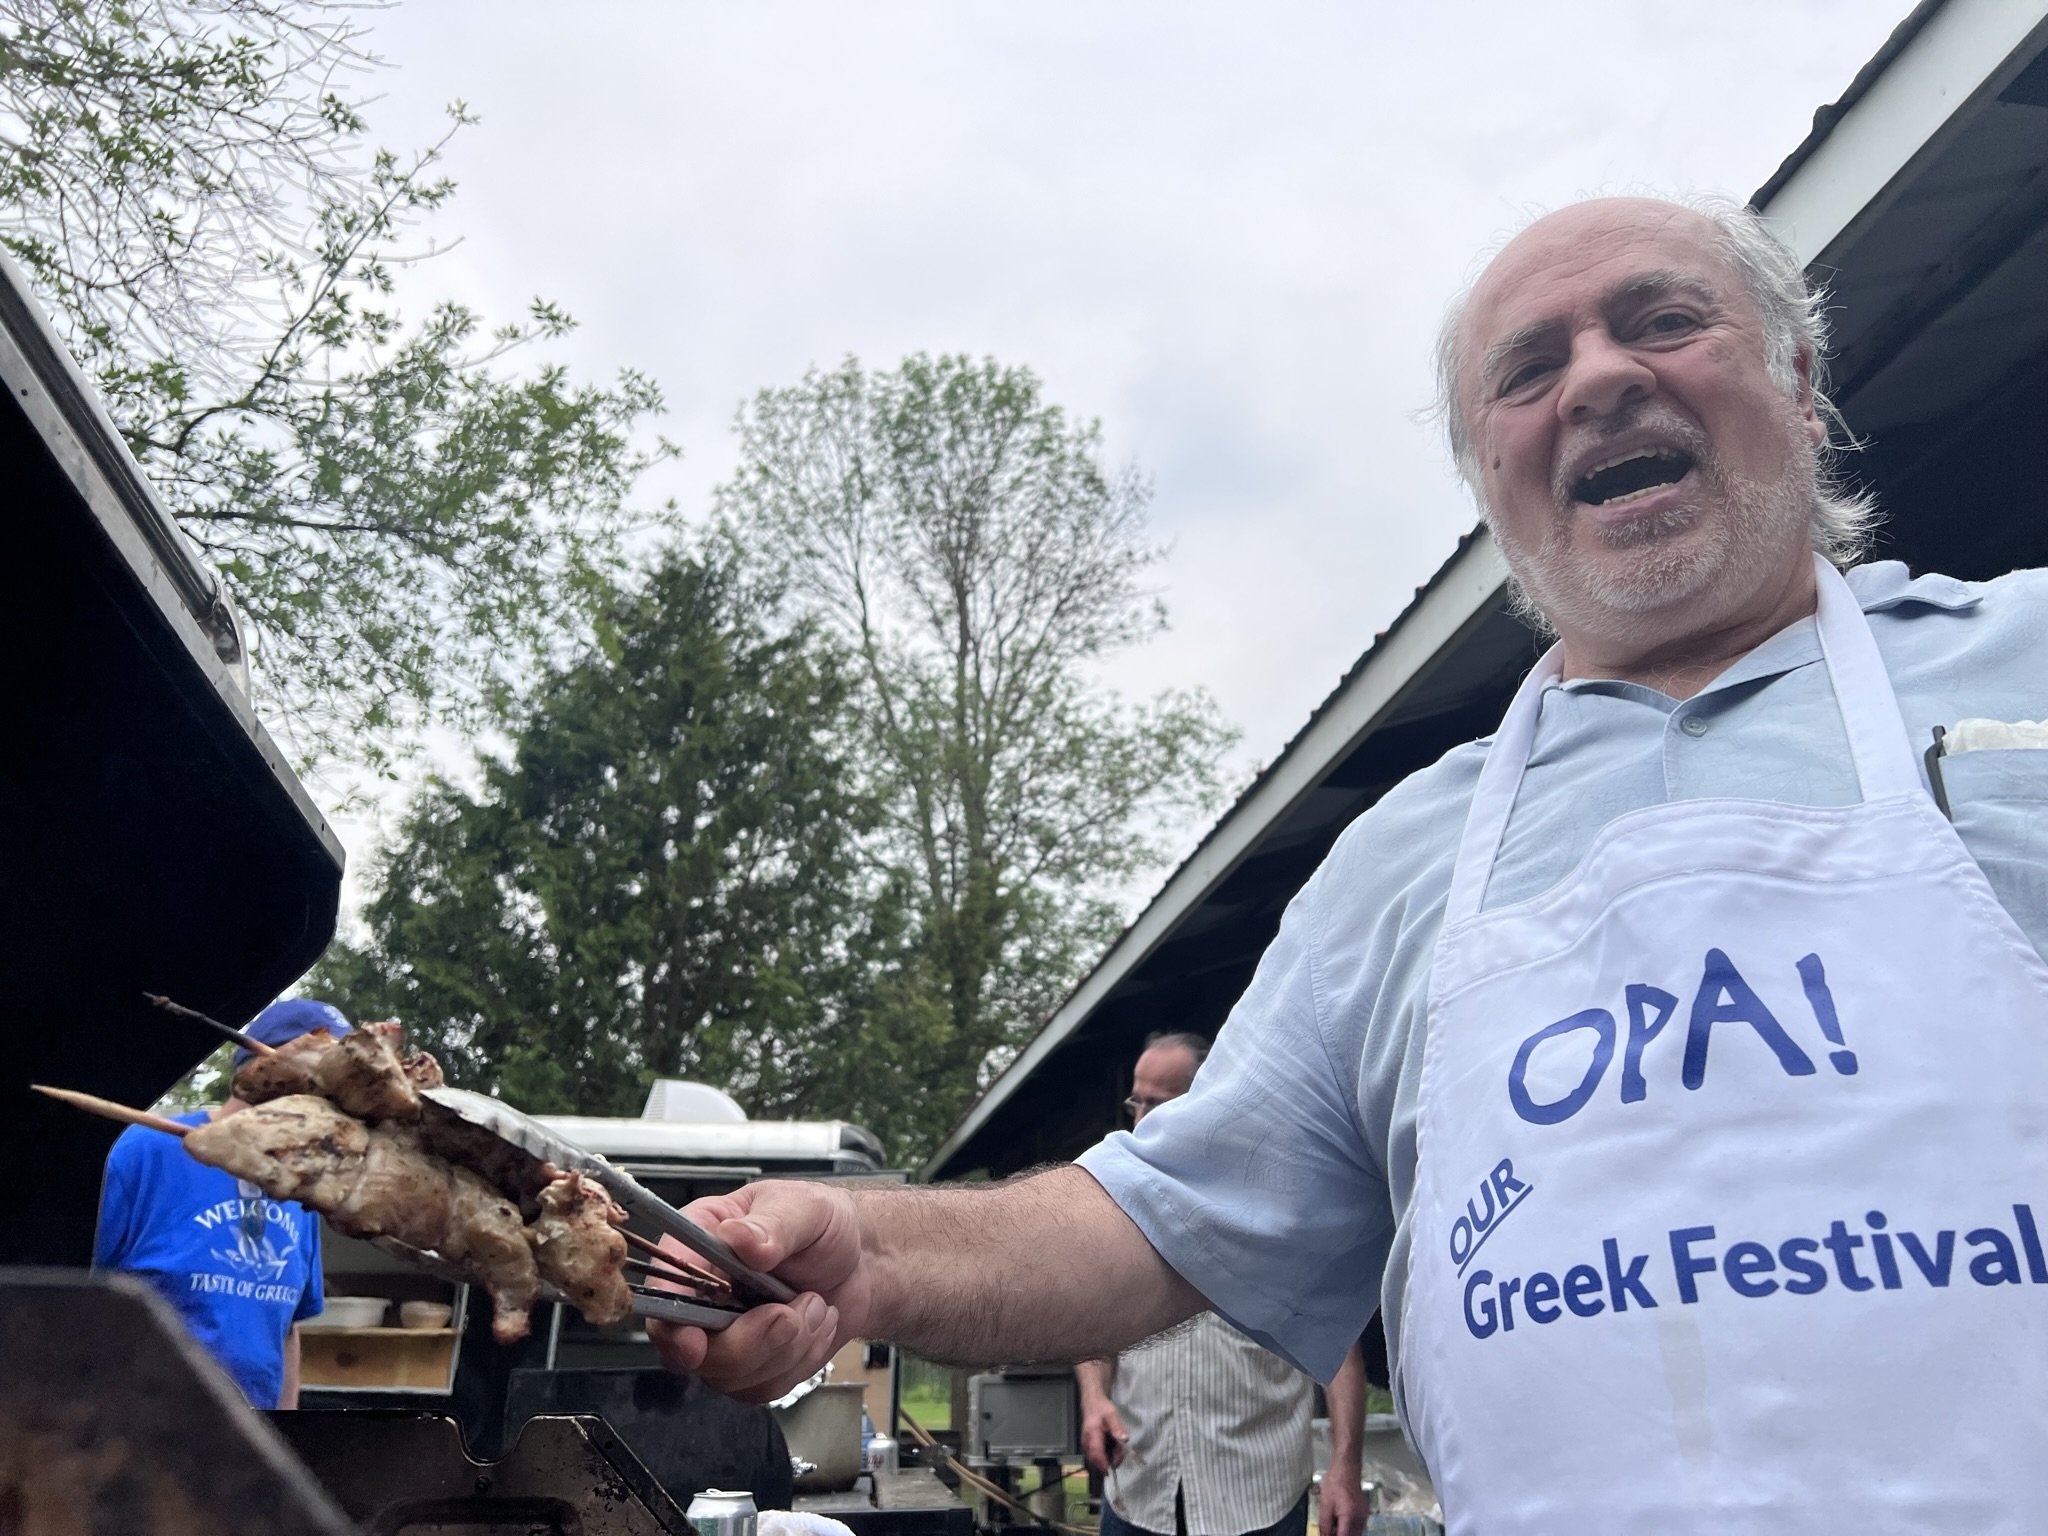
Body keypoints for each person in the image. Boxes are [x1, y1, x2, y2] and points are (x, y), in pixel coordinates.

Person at [647, 195, 2048, 1529]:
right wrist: (863, 1246)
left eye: (1663, 320)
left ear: (1801, 385)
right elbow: (1162, 1216)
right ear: (1489, 477)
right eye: (1529, 368)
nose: (1601, 379)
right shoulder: (1403, 854)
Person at [1078, 1033, 1370, 1536]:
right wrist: (1094, 1399)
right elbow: (1095, 1328)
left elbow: (1339, 1350)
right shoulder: (1115, 1209)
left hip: (1256, 1493)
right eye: (1137, 1101)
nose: (1141, 1119)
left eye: (1159, 1102)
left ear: (1206, 1101)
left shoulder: (1282, 1211)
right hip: (1140, 1490)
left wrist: (1345, 1467)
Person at [93, 998, 351, 1409]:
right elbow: (67, 1292)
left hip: (247, 1451)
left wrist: (286, 1432)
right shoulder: (147, 1150)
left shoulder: (299, 1188)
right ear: (262, 1071)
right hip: (131, 1436)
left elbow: (286, 1330)